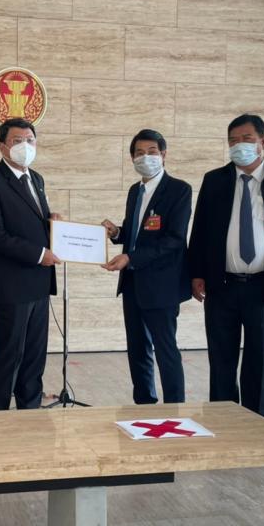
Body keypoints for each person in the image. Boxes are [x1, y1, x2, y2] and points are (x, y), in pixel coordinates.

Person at [187, 114, 264, 419]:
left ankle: (258, 424)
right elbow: (199, 231)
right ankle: (223, 422)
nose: (240, 145)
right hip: (221, 285)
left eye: (247, 139)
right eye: (233, 140)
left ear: (263, 142)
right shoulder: (214, 180)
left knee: (260, 360)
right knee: (221, 360)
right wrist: (196, 273)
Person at [0, 117, 60, 410]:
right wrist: (39, 254)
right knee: (7, 355)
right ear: (2, 147)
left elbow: (31, 223)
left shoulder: (37, 179)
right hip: (9, 287)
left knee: (35, 356)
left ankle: (29, 412)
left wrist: (53, 224)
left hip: (39, 284)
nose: (26, 146)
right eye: (17, 141)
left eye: (30, 140)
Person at [101, 129, 192, 404]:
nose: (146, 157)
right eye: (139, 153)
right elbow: (135, 233)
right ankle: (144, 404)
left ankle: (174, 407)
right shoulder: (135, 191)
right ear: (132, 158)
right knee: (137, 349)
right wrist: (117, 233)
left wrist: (131, 258)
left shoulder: (179, 190)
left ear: (163, 154)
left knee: (166, 350)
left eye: (152, 151)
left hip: (162, 285)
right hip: (132, 283)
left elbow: (174, 239)